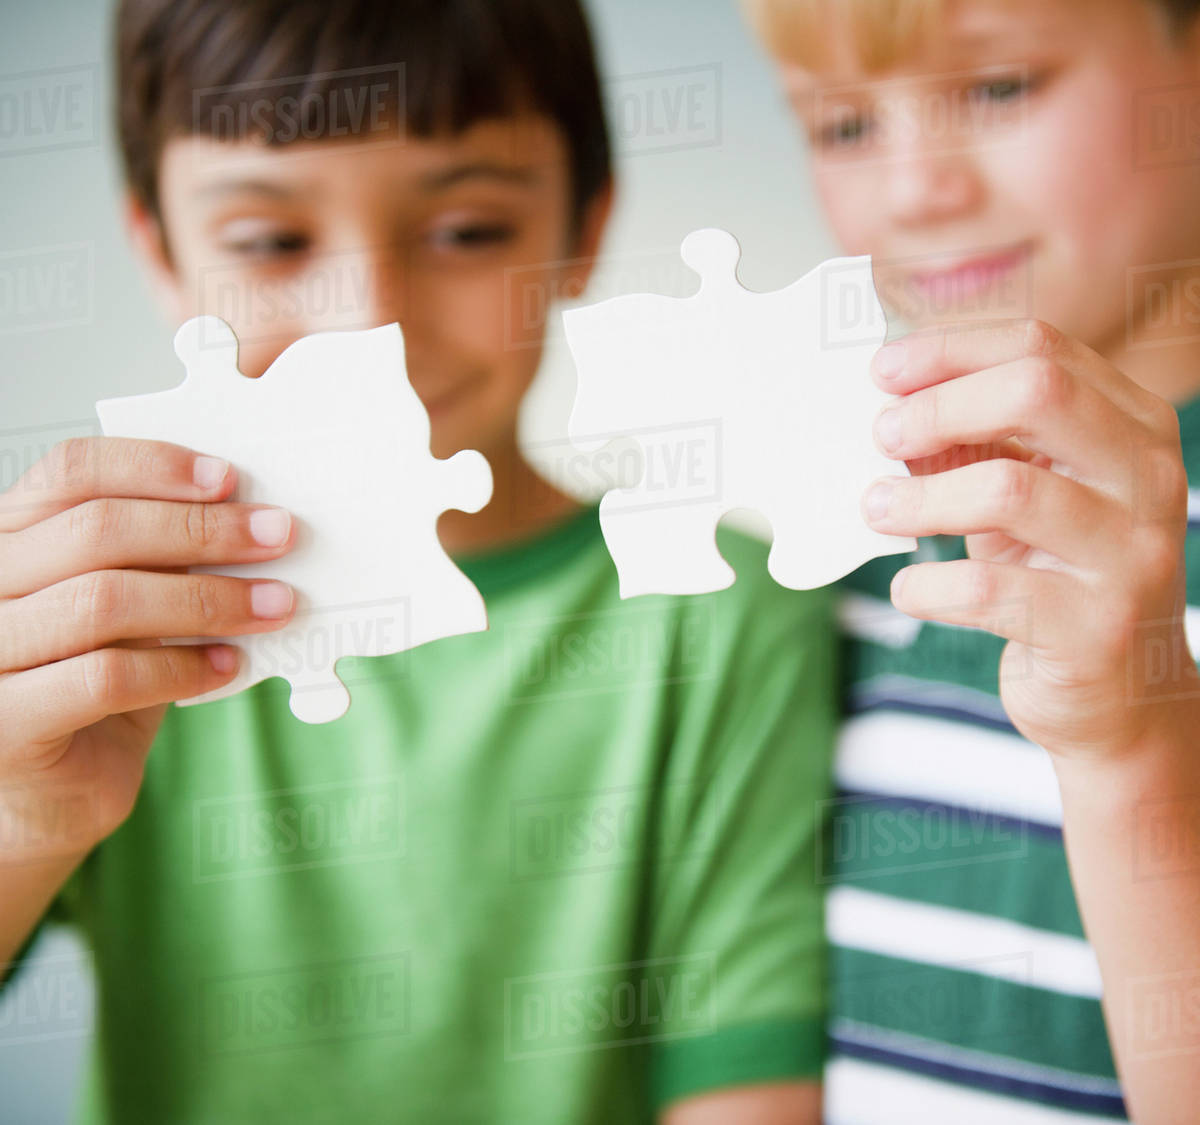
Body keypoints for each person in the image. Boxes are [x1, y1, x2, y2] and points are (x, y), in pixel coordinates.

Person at [0, 1, 835, 1120]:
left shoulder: (724, 614)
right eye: (272, 241)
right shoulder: (95, 622)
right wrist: (23, 815)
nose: (372, 321)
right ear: (159, 250)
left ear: (584, 226)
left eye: (468, 231)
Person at [744, 0, 1200, 1120]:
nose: (913, 191)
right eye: (844, 125)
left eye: (998, 87)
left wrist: (1131, 748)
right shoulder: (832, 570)